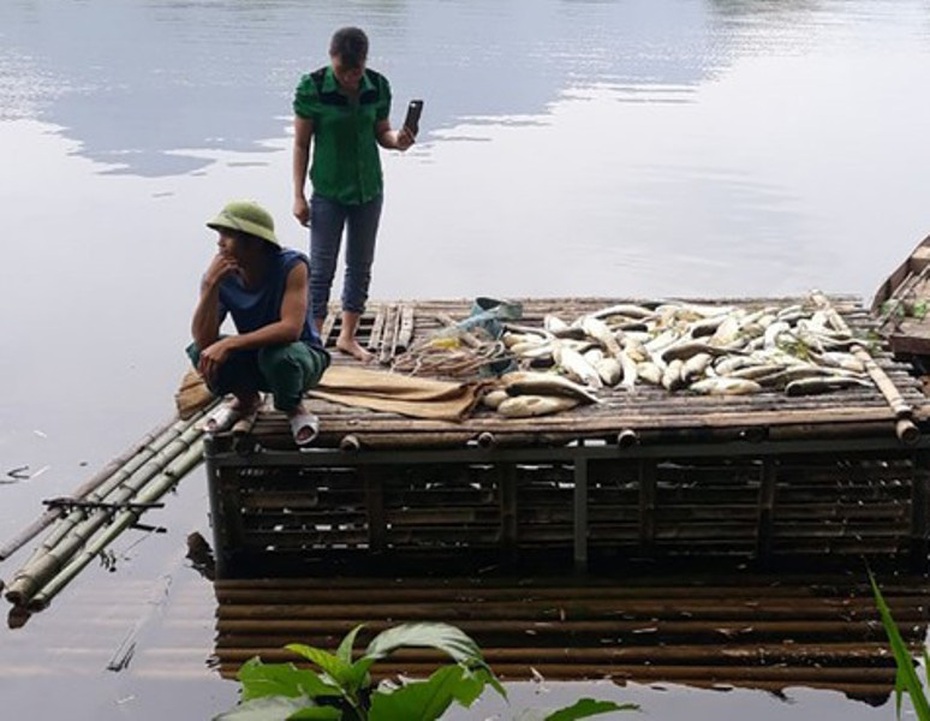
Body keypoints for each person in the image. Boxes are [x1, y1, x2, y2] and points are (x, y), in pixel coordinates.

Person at [292, 26, 414, 362]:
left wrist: (398, 141)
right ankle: (313, 339)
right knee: (320, 268)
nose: (349, 77)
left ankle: (347, 336)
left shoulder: (377, 86)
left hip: (368, 190)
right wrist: (299, 195)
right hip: (328, 192)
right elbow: (302, 144)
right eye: (343, 70)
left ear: (364, 62)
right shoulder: (312, 87)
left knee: (360, 265)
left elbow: (382, 133)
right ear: (332, 59)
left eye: (355, 70)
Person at [188, 199, 330, 446]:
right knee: (200, 351)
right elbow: (203, 339)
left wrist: (230, 343)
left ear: (254, 242)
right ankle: (246, 400)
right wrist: (210, 287)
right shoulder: (222, 276)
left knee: (278, 357)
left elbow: (290, 329)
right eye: (220, 235)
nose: (220, 243)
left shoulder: (292, 265)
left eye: (228, 236)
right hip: (254, 356)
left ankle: (294, 408)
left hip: (300, 357)